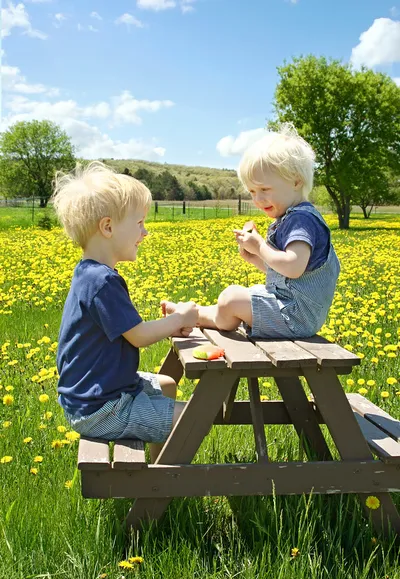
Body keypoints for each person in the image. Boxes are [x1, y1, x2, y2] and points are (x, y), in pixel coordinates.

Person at [53, 162, 198, 461]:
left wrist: (172, 324)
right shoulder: (103, 281)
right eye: (140, 223)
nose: (144, 232)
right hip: (101, 408)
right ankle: (160, 485)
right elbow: (139, 336)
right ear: (107, 227)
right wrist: (179, 320)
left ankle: (160, 465)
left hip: (92, 395)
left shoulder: (88, 273)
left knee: (168, 384)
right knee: (196, 416)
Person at [162, 124, 340, 339]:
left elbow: (293, 267)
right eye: (252, 191)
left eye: (264, 189)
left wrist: (260, 246)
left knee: (231, 298)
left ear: (296, 181)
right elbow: (287, 276)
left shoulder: (301, 220)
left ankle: (193, 316)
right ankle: (189, 315)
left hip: (294, 316)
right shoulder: (292, 217)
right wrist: (254, 257)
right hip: (290, 309)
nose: (258, 199)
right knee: (232, 299)